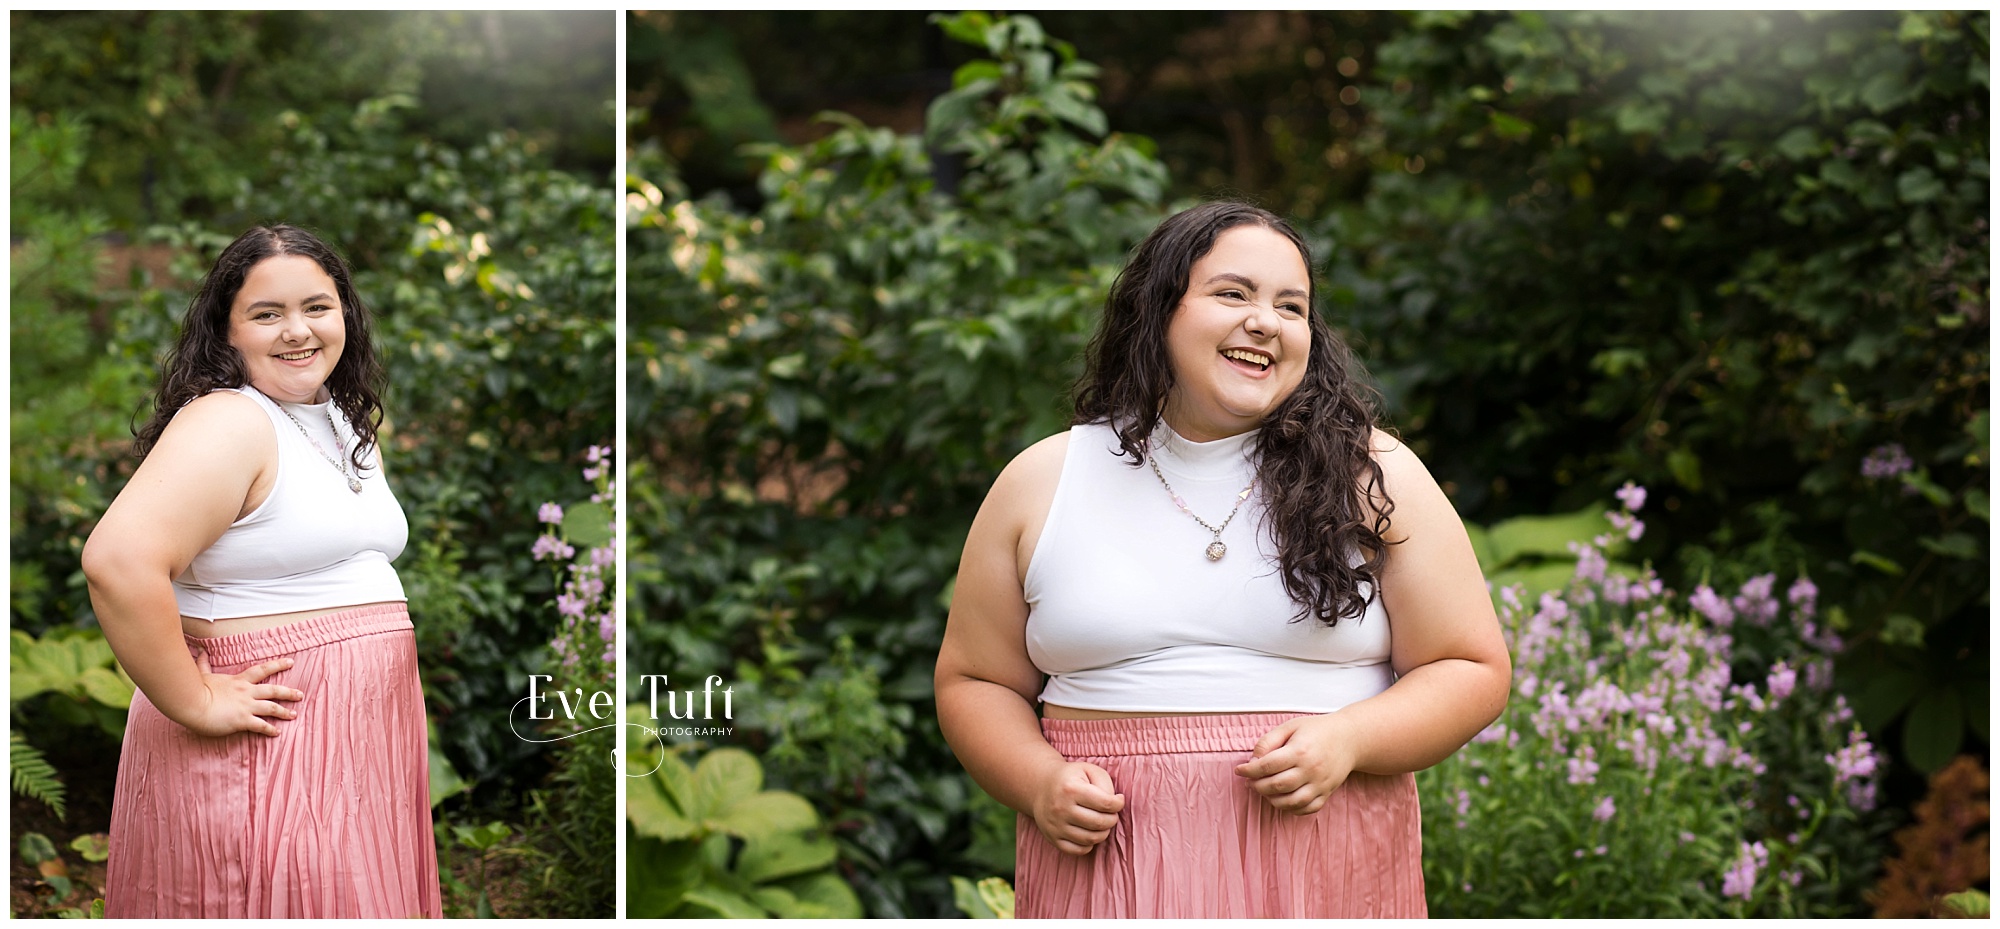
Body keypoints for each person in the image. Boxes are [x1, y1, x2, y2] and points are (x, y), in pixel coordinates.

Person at [934, 201, 1511, 917]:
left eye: (1290, 305)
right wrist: (1038, 781)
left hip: (1320, 860)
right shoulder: (1043, 479)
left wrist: (1351, 738)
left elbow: (1471, 667)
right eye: (1233, 293)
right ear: (1158, 311)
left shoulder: (1373, 475)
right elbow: (973, 679)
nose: (1265, 320)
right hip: (1114, 865)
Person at [82, 225, 441, 918]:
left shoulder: (335, 420)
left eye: (316, 307)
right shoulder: (231, 421)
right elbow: (118, 561)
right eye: (267, 313)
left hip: (352, 748)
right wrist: (194, 699)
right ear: (228, 332)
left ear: (346, 316)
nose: (297, 331)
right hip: (267, 741)